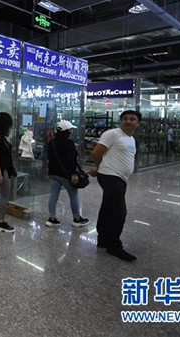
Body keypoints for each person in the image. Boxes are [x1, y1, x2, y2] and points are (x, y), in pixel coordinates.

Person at [89, 110, 141, 262]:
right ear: (121, 121)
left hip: (120, 178)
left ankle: (103, 239)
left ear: (138, 123)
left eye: (132, 119)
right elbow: (96, 153)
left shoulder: (131, 139)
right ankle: (114, 246)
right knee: (119, 213)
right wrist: (100, 167)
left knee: (107, 208)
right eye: (125, 119)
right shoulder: (112, 134)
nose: (128, 121)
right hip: (110, 176)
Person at [46, 120, 89, 228]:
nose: (71, 131)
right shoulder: (69, 143)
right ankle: (77, 219)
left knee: (53, 195)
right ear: (67, 131)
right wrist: (73, 174)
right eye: (70, 129)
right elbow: (71, 161)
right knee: (73, 195)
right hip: (66, 174)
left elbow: (49, 158)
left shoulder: (52, 142)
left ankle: (52, 218)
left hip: (53, 173)